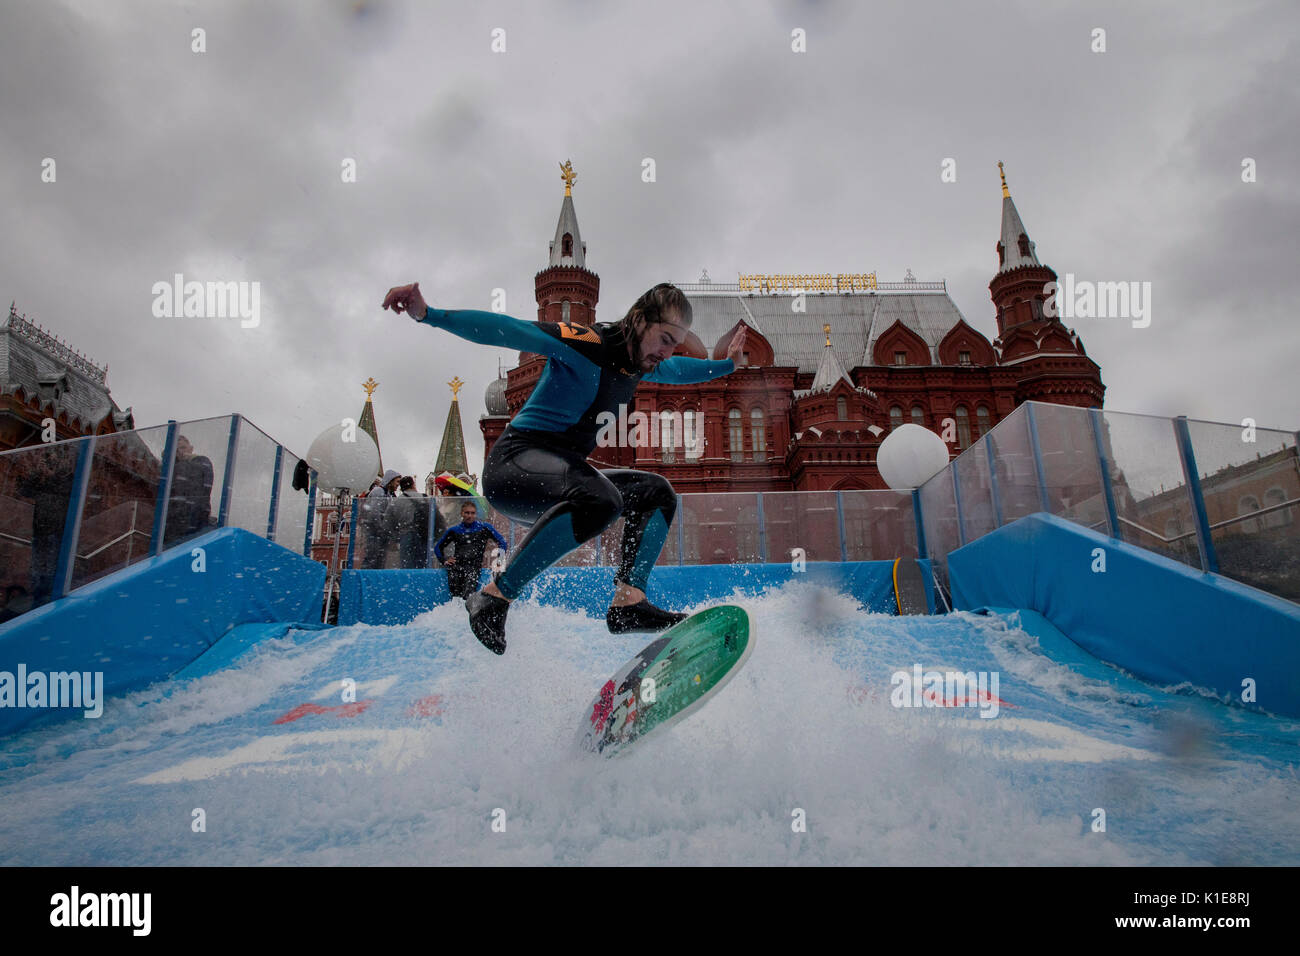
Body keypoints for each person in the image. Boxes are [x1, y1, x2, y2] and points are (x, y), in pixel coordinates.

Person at [382, 280, 746, 654]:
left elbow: (680, 371)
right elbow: (509, 329)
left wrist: (727, 365)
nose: (668, 352)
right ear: (639, 320)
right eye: (665, 339)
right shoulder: (587, 342)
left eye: (675, 343)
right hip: (512, 467)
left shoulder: (638, 366)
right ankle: (493, 598)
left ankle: (629, 603)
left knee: (656, 493)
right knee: (601, 500)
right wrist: (428, 315)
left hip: (561, 478)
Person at [434, 501, 508, 599]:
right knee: (455, 598)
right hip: (456, 568)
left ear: (475, 514)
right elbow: (438, 547)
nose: (470, 516)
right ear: (462, 513)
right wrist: (444, 560)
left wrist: (499, 562)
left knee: (468, 596)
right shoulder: (454, 530)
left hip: (473, 568)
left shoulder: (484, 528)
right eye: (467, 513)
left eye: (472, 513)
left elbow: (502, 543)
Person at [164, 435, 214, 547]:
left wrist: (190, 459)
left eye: (182, 447)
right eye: (176, 450)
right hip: (172, 528)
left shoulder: (201, 462)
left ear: (191, 448)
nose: (180, 452)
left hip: (195, 524)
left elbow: (204, 487)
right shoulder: (168, 470)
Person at [385, 475, 431, 569]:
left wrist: (396, 538)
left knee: (406, 567)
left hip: (405, 537)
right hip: (423, 537)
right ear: (413, 485)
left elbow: (387, 524)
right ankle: (421, 582)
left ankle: (408, 582)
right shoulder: (424, 498)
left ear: (401, 488)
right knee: (422, 567)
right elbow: (436, 520)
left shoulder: (395, 502)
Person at [358, 469, 401, 569]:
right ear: (390, 480)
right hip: (374, 532)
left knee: (379, 560)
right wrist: (382, 529)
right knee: (372, 558)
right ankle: (367, 579)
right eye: (397, 481)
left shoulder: (388, 494)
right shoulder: (379, 492)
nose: (398, 485)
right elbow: (375, 513)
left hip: (379, 533)